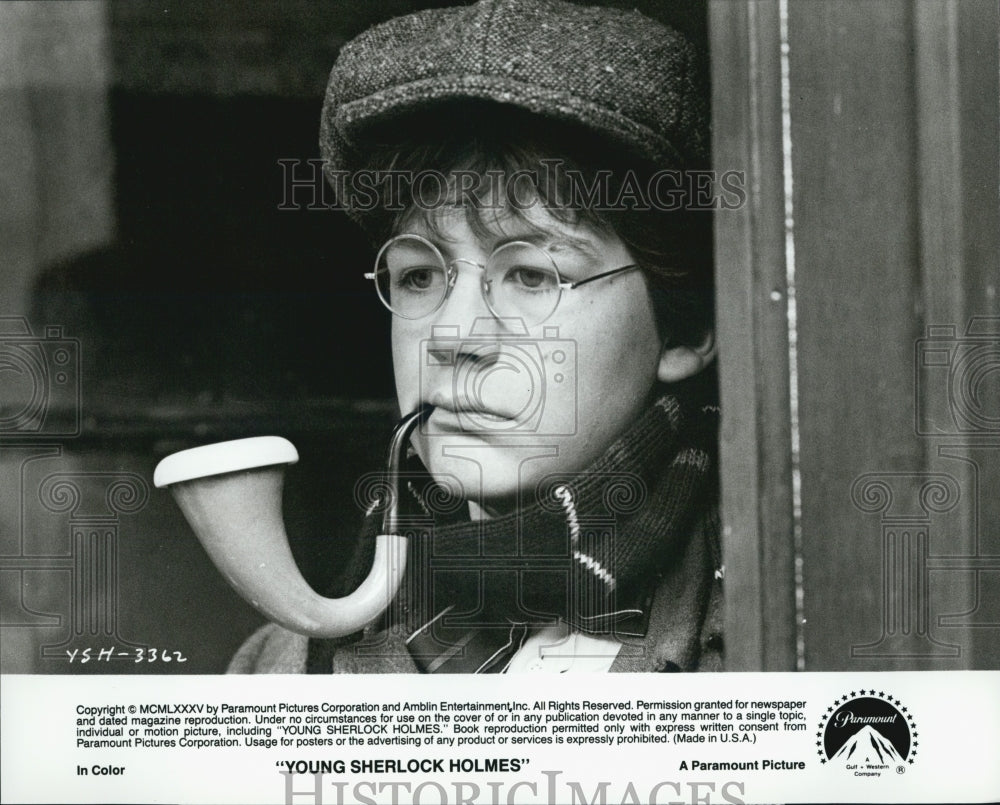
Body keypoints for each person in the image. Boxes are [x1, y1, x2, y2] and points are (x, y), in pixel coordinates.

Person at [230, 0, 722, 674]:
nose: (452, 335)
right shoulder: (277, 670)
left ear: (686, 324)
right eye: (419, 275)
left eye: (529, 274)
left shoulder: (775, 642)